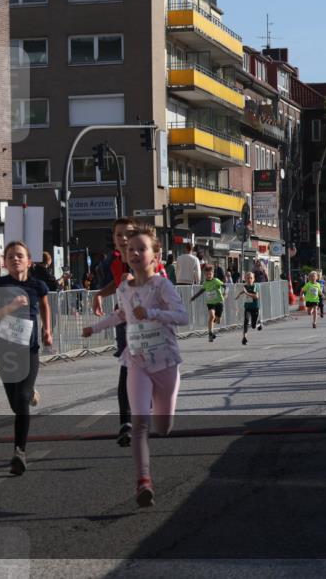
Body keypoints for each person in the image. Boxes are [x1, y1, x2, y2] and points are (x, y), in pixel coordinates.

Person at [81, 226, 188, 507]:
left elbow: (182, 316)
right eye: (131, 250)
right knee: (140, 422)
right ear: (126, 256)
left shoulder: (162, 285)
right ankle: (143, 482)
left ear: (155, 255)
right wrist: (94, 328)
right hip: (137, 360)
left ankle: (160, 415)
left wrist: (152, 313)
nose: (136, 253)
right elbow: (120, 314)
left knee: (162, 427)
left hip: (164, 361)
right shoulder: (125, 287)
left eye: (142, 249)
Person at [0, 241, 52, 475]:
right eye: (10, 256)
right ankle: (30, 392)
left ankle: (19, 452)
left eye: (19, 256)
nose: (15, 259)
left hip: (29, 349)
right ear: (4, 262)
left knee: (21, 400)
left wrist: (47, 330)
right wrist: (11, 306)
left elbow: (44, 306)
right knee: (15, 402)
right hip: (5, 348)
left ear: (29, 261)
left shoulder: (37, 285)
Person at [92, 217, 137, 447]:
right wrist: (100, 294)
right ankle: (126, 423)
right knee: (126, 364)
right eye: (119, 235)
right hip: (123, 318)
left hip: (147, 319)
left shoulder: (143, 254)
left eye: (128, 233)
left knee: (147, 366)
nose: (123, 239)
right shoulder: (115, 260)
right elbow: (117, 284)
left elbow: (157, 279)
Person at [190, 265, 225, 342]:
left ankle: (217, 319)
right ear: (204, 275)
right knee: (211, 316)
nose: (208, 276)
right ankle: (210, 333)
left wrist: (226, 292)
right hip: (210, 303)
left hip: (218, 301)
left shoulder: (216, 280)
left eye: (210, 274)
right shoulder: (205, 283)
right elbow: (201, 291)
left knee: (218, 319)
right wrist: (194, 297)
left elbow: (224, 286)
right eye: (207, 274)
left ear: (213, 274)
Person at [234, 271, 261, 345]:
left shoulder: (255, 286)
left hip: (255, 308)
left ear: (253, 279)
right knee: (245, 322)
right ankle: (244, 338)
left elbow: (256, 296)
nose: (249, 280)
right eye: (248, 278)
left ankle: (258, 322)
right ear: (245, 279)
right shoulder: (245, 286)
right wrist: (239, 294)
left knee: (253, 326)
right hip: (247, 307)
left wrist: (247, 293)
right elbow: (244, 291)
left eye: (251, 278)